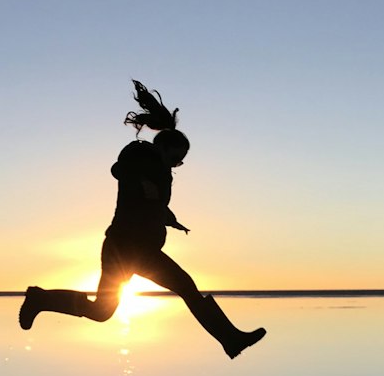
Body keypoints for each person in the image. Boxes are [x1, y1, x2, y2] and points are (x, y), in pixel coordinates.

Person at [18, 80, 266, 358]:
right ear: (168, 147)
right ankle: (230, 340)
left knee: (102, 311)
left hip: (132, 249)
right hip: (129, 247)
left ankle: (41, 298)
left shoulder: (158, 168)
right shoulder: (141, 153)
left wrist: (169, 218)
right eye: (179, 158)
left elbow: (153, 203)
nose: (178, 164)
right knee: (184, 288)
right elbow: (119, 169)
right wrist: (140, 182)